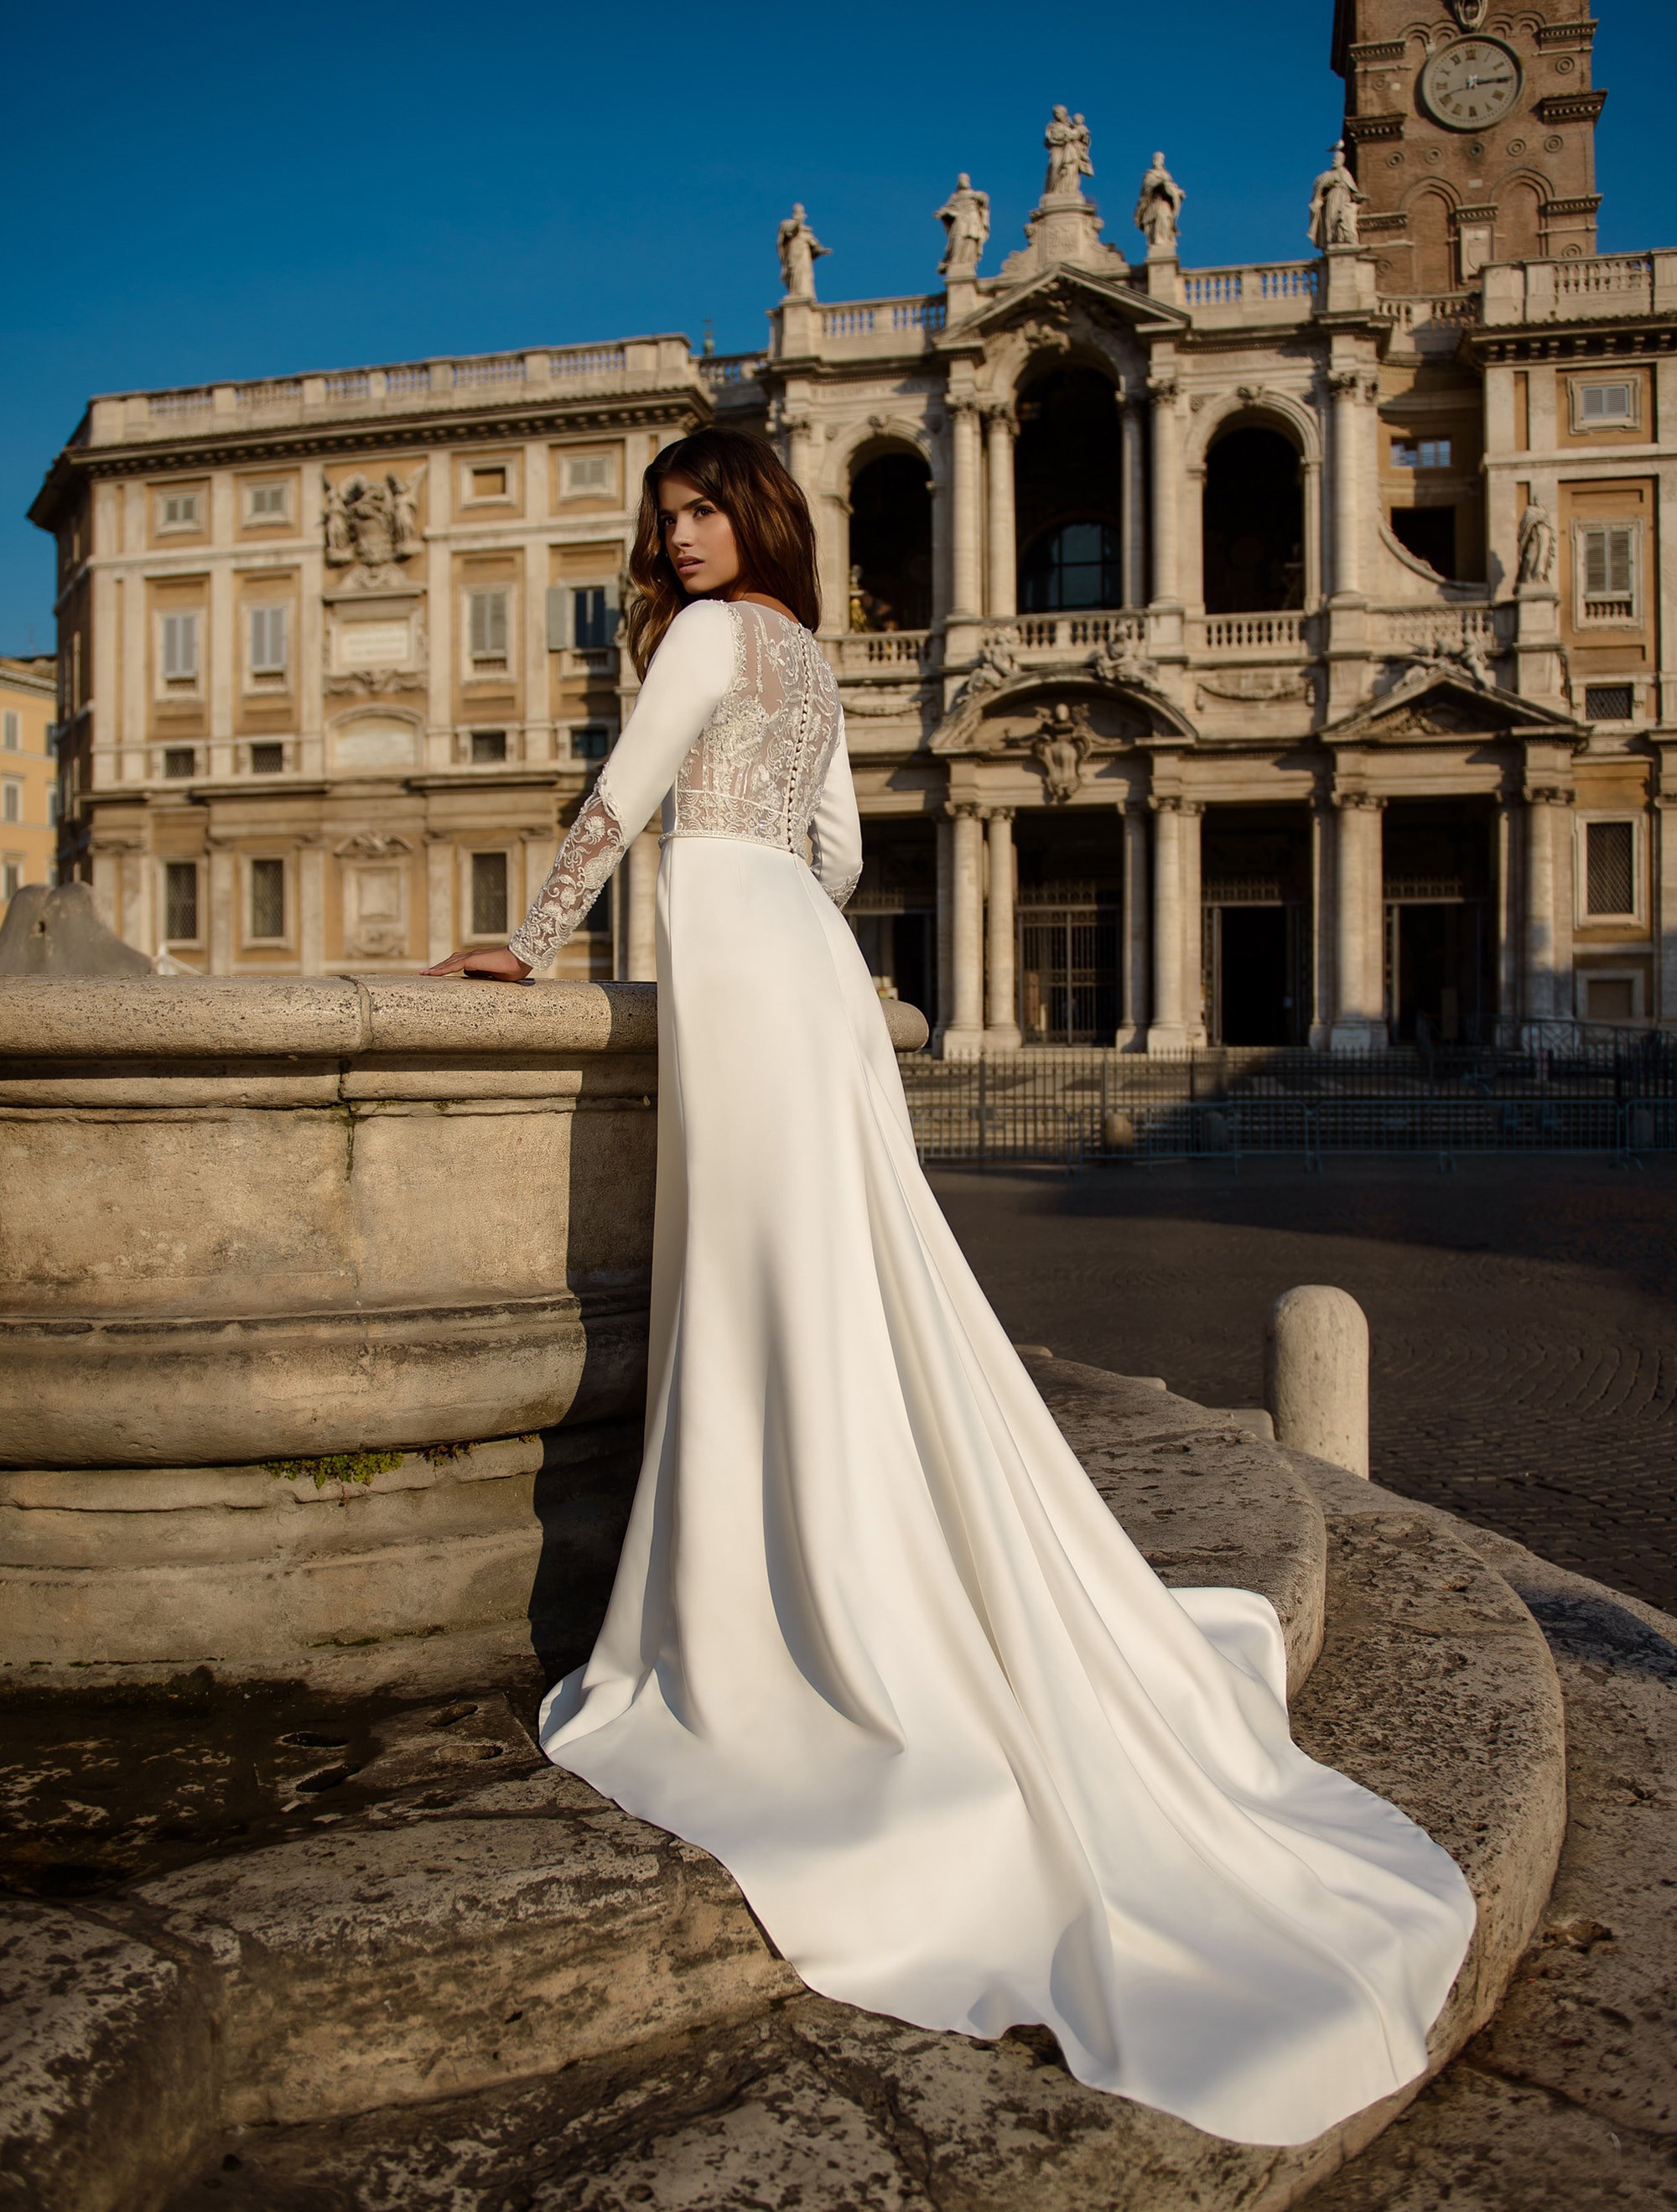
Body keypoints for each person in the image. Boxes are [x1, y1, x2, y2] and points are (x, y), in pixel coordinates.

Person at [423, 425, 1474, 2147]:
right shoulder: (812, 655)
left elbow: (619, 794)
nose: (680, 538)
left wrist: (533, 943)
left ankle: (783, 1604)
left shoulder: (700, 639)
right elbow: (835, 852)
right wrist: (753, 864)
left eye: (700, 510)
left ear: (745, 515)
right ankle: (856, 1568)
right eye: (667, 518)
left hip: (737, 966)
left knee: (752, 1293)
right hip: (808, 965)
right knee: (832, 1284)